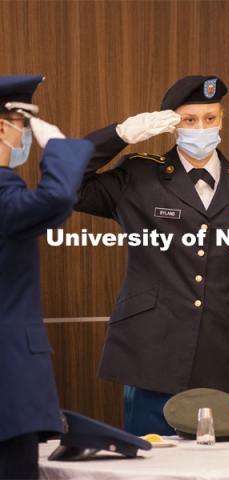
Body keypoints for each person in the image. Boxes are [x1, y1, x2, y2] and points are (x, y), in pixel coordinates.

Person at [75, 76, 229, 435]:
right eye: (189, 120)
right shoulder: (138, 176)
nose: (201, 128)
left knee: (225, 468)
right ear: (172, 125)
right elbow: (67, 182)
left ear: (222, 118)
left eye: (210, 118)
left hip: (225, 354)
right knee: (153, 466)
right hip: (153, 352)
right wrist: (118, 136)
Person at [0, 75, 94, 479]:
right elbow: (54, 199)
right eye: (23, 125)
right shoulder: (2, 190)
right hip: (7, 390)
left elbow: (45, 211)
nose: (24, 137)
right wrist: (58, 148)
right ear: (4, 127)